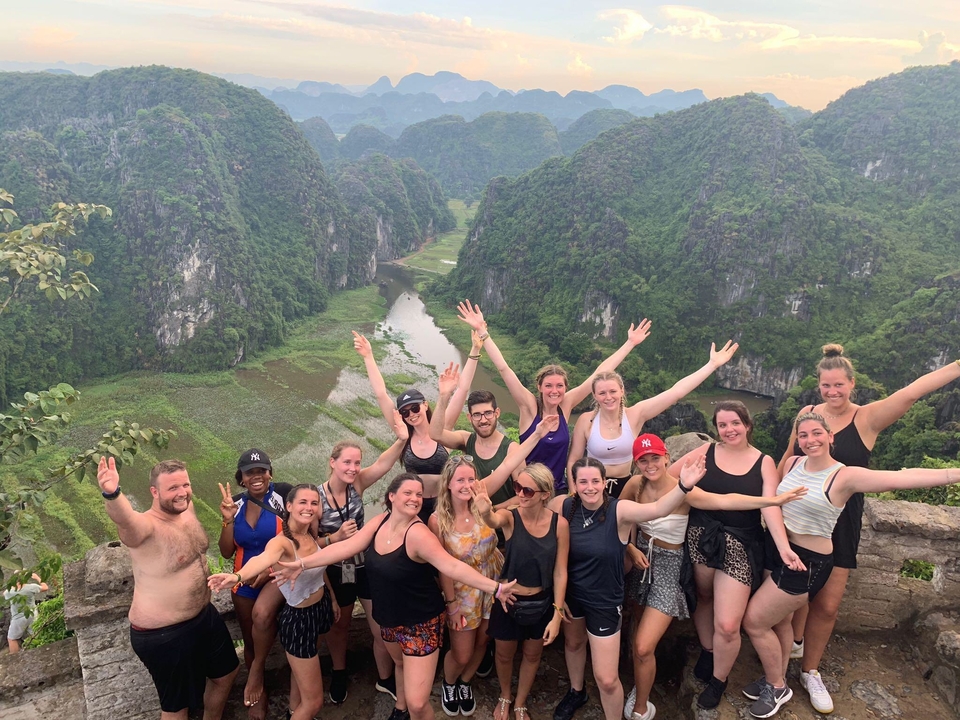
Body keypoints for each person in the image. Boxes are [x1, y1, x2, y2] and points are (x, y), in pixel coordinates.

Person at [777, 345, 960, 714]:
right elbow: (787, 458)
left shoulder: (868, 418)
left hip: (841, 521)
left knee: (826, 605)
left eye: (839, 385)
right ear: (819, 385)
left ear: (852, 384)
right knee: (795, 594)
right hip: (799, 514)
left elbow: (912, 392)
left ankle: (810, 670)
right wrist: (774, 499)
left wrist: (956, 365)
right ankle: (794, 643)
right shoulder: (808, 414)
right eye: (826, 385)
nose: (833, 392)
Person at [742, 412, 960, 718]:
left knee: (754, 621)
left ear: (831, 437)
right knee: (780, 621)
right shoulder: (792, 463)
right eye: (803, 435)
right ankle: (772, 677)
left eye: (817, 433)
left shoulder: (844, 476)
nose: (809, 440)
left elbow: (899, 478)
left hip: (806, 562)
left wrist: (953, 474)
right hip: (777, 550)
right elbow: (772, 503)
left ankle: (778, 687)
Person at [273, 473, 520, 720]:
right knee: (400, 665)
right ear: (391, 496)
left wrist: (495, 588)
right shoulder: (381, 521)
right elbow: (346, 547)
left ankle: (408, 708)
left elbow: (452, 566)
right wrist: (302, 563)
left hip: (420, 622)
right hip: (389, 617)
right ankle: (399, 708)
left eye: (419, 494)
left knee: (419, 703)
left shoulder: (418, 534)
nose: (415, 499)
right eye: (408, 493)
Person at [622, 432, 805, 720]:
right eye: (642, 460)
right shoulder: (635, 484)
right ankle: (640, 683)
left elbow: (726, 501)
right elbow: (620, 520)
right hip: (642, 562)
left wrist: (772, 500)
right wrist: (630, 547)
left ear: (667, 457)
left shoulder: (683, 489)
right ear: (636, 464)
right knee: (636, 629)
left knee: (644, 644)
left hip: (670, 568)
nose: (649, 465)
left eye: (655, 458)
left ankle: (641, 706)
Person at [546, 456, 707, 720]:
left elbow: (656, 509)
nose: (589, 487)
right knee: (574, 644)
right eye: (582, 481)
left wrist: (683, 487)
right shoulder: (563, 506)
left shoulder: (618, 510)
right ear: (573, 483)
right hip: (572, 595)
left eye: (595, 481)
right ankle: (577, 691)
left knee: (607, 679)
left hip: (605, 601)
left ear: (605, 483)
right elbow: (539, 527)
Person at [664, 401, 788, 709]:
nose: (729, 429)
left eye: (735, 423)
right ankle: (708, 650)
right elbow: (669, 478)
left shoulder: (763, 461)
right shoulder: (704, 453)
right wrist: (693, 495)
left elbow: (771, 504)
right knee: (703, 597)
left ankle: (719, 678)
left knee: (730, 624)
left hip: (740, 544)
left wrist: (784, 547)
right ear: (716, 429)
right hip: (701, 536)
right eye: (722, 425)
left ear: (747, 424)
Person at [457, 299, 652, 492]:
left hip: (558, 488)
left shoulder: (565, 406)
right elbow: (504, 369)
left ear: (565, 388)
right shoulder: (529, 406)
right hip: (529, 490)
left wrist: (630, 344)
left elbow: (598, 374)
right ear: (539, 387)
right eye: (548, 386)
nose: (554, 391)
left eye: (560, 386)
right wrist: (483, 332)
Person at [96, 456, 239, 720]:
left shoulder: (187, 509)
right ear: (154, 492)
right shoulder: (145, 527)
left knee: (227, 672)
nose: (182, 492)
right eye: (172, 488)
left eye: (185, 484)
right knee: (176, 707)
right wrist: (112, 493)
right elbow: (126, 520)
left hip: (203, 617)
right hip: (164, 634)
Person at [428, 429, 556, 718]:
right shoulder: (438, 521)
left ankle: (464, 682)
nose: (466, 484)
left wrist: (538, 433)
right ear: (447, 483)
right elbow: (443, 566)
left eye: (470, 479)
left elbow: (512, 463)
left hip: (495, 583)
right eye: (459, 480)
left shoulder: (481, 500)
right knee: (461, 651)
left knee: (484, 641)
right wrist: (451, 605)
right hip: (462, 592)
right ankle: (449, 682)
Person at [209, 484, 338, 720]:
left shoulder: (309, 531)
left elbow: (319, 564)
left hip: (320, 609)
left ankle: (292, 711)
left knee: (302, 676)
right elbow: (264, 559)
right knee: (314, 701)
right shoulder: (282, 542)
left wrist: (332, 597)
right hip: (300, 620)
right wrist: (237, 576)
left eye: (313, 503)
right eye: (302, 502)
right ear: (288, 506)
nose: (308, 508)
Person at [567, 340, 739, 498]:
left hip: (627, 487)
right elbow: (574, 459)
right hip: (591, 487)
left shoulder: (635, 414)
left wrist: (712, 365)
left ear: (621, 391)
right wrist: (574, 490)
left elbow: (675, 393)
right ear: (595, 396)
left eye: (612, 391)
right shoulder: (586, 420)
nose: (608, 397)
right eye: (602, 393)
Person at [319, 413, 408, 705]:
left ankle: (385, 679)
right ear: (332, 462)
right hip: (336, 569)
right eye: (347, 462)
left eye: (356, 463)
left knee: (379, 623)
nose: (353, 468)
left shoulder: (358, 484)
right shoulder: (315, 498)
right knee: (339, 625)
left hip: (365, 566)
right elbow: (308, 543)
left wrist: (402, 439)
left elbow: (383, 464)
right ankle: (339, 672)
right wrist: (335, 538)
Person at [471, 464, 569, 720]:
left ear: (545, 493)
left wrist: (557, 613)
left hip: (541, 600)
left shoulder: (560, 525)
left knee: (532, 654)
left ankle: (520, 702)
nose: (521, 494)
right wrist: (485, 509)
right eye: (518, 488)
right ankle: (505, 694)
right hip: (508, 599)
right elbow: (493, 519)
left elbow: (560, 571)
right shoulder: (511, 517)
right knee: (504, 654)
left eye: (528, 490)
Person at [354, 331, 478, 521]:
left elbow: (462, 390)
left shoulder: (441, 429)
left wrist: (475, 350)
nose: (411, 414)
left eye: (414, 408)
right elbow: (381, 394)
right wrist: (368, 356)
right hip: (413, 505)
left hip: (443, 503)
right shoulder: (403, 435)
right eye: (405, 412)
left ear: (425, 405)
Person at [217, 448, 291, 718]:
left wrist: (272, 567)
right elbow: (226, 551)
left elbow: (296, 538)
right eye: (250, 472)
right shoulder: (234, 505)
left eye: (262, 470)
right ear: (242, 478)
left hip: (276, 574)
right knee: (249, 637)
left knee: (262, 615)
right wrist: (227, 521)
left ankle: (256, 675)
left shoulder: (284, 497)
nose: (257, 476)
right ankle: (260, 695)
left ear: (270, 473)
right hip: (244, 578)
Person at [430, 365, 524, 506]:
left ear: (497, 413)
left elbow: (523, 495)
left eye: (488, 413)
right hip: (469, 520)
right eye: (477, 415)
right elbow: (436, 434)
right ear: (469, 417)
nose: (483, 420)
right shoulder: (466, 440)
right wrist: (444, 396)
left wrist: (490, 513)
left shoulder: (512, 449)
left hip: (501, 522)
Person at [3, 572, 49, 654]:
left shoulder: (9, 592)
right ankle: (39, 653)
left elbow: (4, 595)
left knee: (12, 638)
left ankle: (14, 658)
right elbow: (45, 587)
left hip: (18, 618)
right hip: (33, 615)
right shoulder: (31, 587)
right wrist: (37, 578)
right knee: (35, 635)